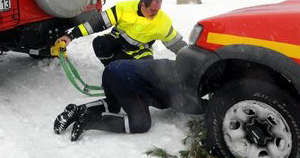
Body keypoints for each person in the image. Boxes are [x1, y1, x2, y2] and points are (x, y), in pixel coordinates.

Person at [54, 58, 201, 141]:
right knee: (141, 123)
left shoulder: (171, 65)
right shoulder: (176, 77)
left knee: (113, 105)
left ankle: (78, 110)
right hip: (126, 80)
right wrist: (210, 107)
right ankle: (90, 120)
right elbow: (180, 103)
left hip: (112, 70)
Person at [55, 0, 186, 66]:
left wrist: (189, 59)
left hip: (140, 53)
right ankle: (111, 70)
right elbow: (97, 23)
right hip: (117, 44)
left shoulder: (162, 21)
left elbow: (176, 43)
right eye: (152, 10)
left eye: (158, 10)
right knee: (100, 43)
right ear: (142, 5)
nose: (155, 14)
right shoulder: (124, 9)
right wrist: (70, 36)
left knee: (146, 74)